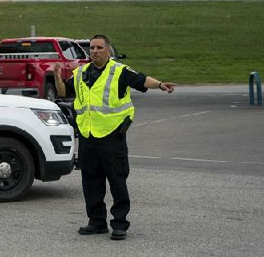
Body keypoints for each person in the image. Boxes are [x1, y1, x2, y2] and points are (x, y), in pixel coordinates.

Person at [53, 34, 176, 241]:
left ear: (108, 51)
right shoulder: (81, 72)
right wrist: (57, 78)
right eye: (92, 48)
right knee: (91, 182)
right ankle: (96, 221)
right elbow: (65, 91)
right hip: (87, 135)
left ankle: (119, 224)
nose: (94, 51)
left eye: (99, 47)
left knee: (117, 180)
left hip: (111, 136)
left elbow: (141, 80)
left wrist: (161, 84)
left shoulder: (118, 71)